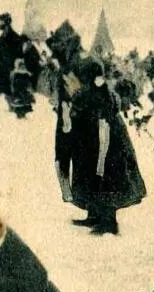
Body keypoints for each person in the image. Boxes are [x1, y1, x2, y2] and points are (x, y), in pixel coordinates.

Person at [55, 56, 146, 234]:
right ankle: (94, 215)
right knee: (92, 179)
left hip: (109, 145)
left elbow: (88, 113)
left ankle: (109, 223)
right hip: (96, 142)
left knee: (106, 181)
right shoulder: (94, 91)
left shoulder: (92, 93)